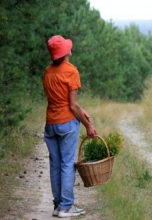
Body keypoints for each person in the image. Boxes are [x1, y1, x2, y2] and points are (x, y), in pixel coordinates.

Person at [42, 35, 97, 218]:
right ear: (66, 52)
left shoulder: (47, 72)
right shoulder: (71, 71)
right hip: (67, 124)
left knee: (55, 164)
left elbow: (59, 101)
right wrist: (88, 124)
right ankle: (66, 207)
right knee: (67, 165)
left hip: (51, 124)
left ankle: (58, 206)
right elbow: (72, 105)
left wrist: (83, 113)